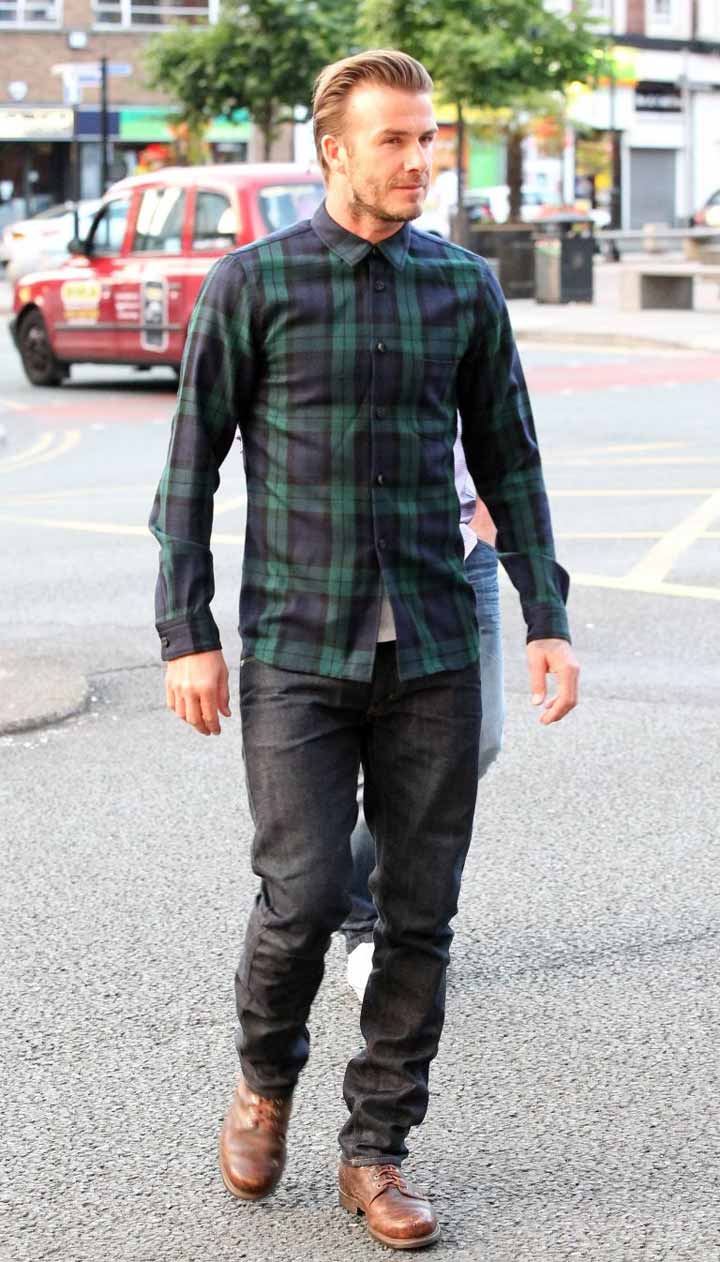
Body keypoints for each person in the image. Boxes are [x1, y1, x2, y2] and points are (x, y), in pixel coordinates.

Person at [149, 49, 579, 1251]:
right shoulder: (253, 283)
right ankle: (263, 1082)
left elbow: (511, 459)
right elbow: (188, 471)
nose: (420, 159)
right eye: (396, 139)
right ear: (334, 150)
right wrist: (188, 634)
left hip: (435, 637)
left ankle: (377, 1146)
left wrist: (546, 615)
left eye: (429, 137)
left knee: (419, 912)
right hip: (298, 639)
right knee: (300, 897)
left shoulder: (464, 287)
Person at [344, 456, 505, 1001]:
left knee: (476, 744)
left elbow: (503, 431)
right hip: (357, 552)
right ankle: (371, 922)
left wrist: (485, 519)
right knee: (378, 746)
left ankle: (381, 903)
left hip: (462, 550)